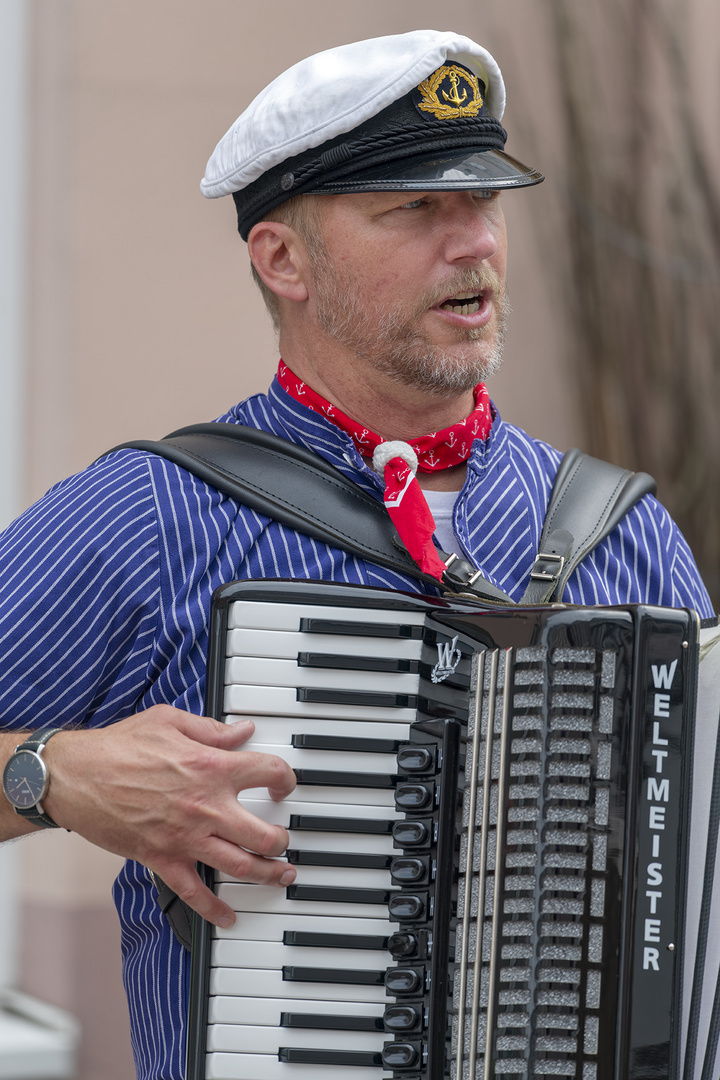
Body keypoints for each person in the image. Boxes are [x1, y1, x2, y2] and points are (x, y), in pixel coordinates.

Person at [0, 29, 713, 1080]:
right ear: (283, 258)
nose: (472, 242)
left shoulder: (621, 531)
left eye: (485, 201)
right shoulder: (151, 516)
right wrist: (47, 775)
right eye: (414, 209)